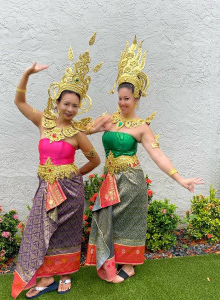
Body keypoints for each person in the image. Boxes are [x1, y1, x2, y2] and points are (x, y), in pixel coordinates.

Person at [85, 36, 204, 283]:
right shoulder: (110, 119)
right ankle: (110, 260)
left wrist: (179, 178)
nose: (122, 103)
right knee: (108, 218)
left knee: (130, 222)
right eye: (119, 98)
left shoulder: (141, 126)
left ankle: (128, 266)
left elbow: (157, 153)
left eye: (127, 99)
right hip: (111, 179)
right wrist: (91, 128)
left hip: (131, 180)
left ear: (137, 98)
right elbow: (81, 130)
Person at [11, 34, 103, 299]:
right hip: (45, 187)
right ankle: (46, 277)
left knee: (66, 232)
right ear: (57, 103)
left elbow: (95, 160)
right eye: (66, 104)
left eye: (75, 105)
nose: (71, 109)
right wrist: (27, 73)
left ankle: (64, 275)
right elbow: (19, 102)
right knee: (40, 230)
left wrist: (75, 173)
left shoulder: (77, 134)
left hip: (70, 191)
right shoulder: (43, 121)